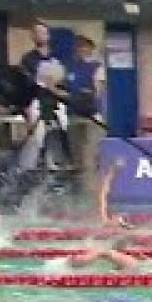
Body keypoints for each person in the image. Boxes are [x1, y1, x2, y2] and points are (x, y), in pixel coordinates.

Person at [66, 35, 107, 195]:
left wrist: (89, 98)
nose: (81, 49)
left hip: (92, 117)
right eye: (79, 46)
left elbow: (98, 92)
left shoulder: (97, 67)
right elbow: (63, 88)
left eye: (85, 46)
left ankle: (92, 194)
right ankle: (80, 191)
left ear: (90, 48)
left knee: (90, 156)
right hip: (73, 116)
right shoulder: (70, 68)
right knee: (77, 159)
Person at [18, 61, 71, 174]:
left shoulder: (59, 88)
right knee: (36, 140)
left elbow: (66, 97)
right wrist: (31, 121)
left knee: (54, 138)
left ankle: (54, 162)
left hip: (55, 117)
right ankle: (28, 167)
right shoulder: (35, 88)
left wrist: (52, 88)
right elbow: (28, 105)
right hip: (39, 115)